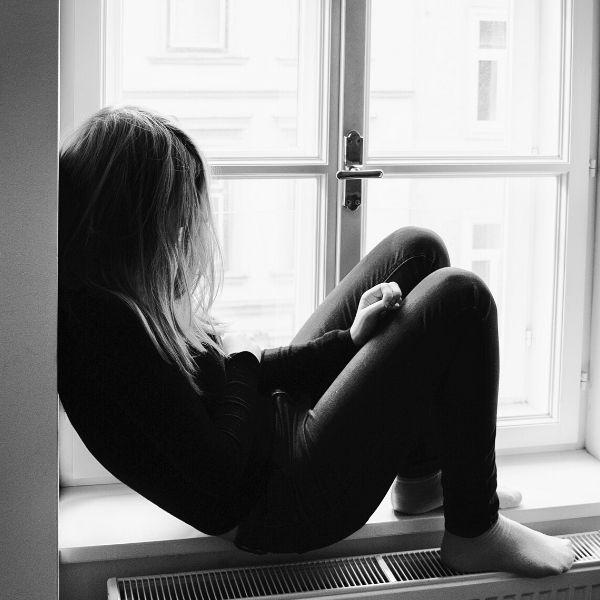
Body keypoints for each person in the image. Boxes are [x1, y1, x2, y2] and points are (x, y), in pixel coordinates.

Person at [58, 106, 574, 577]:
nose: (184, 235)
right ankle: (474, 530)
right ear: (132, 222)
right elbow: (221, 472)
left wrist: (347, 343)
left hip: (277, 430)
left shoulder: (115, 296)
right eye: (174, 218)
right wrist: (240, 358)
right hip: (282, 499)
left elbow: (240, 381)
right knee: (462, 298)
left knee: (415, 251)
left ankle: (422, 482)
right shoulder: (104, 334)